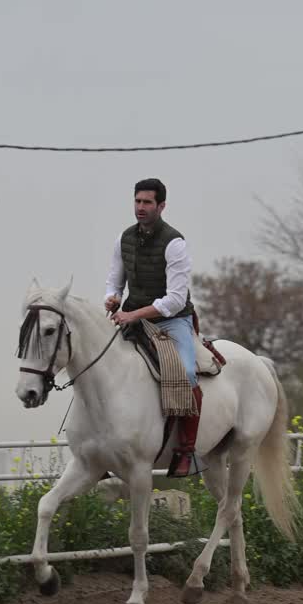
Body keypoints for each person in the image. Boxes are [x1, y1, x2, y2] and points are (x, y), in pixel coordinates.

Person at [104, 178, 202, 477]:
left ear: (161, 206)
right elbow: (114, 280)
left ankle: (187, 449)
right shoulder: (124, 239)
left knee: (185, 371)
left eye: (147, 203)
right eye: (137, 201)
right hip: (133, 317)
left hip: (172, 321)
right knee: (99, 364)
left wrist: (133, 316)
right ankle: (102, 447)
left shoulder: (175, 243)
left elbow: (174, 300)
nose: (141, 208)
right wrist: (112, 298)